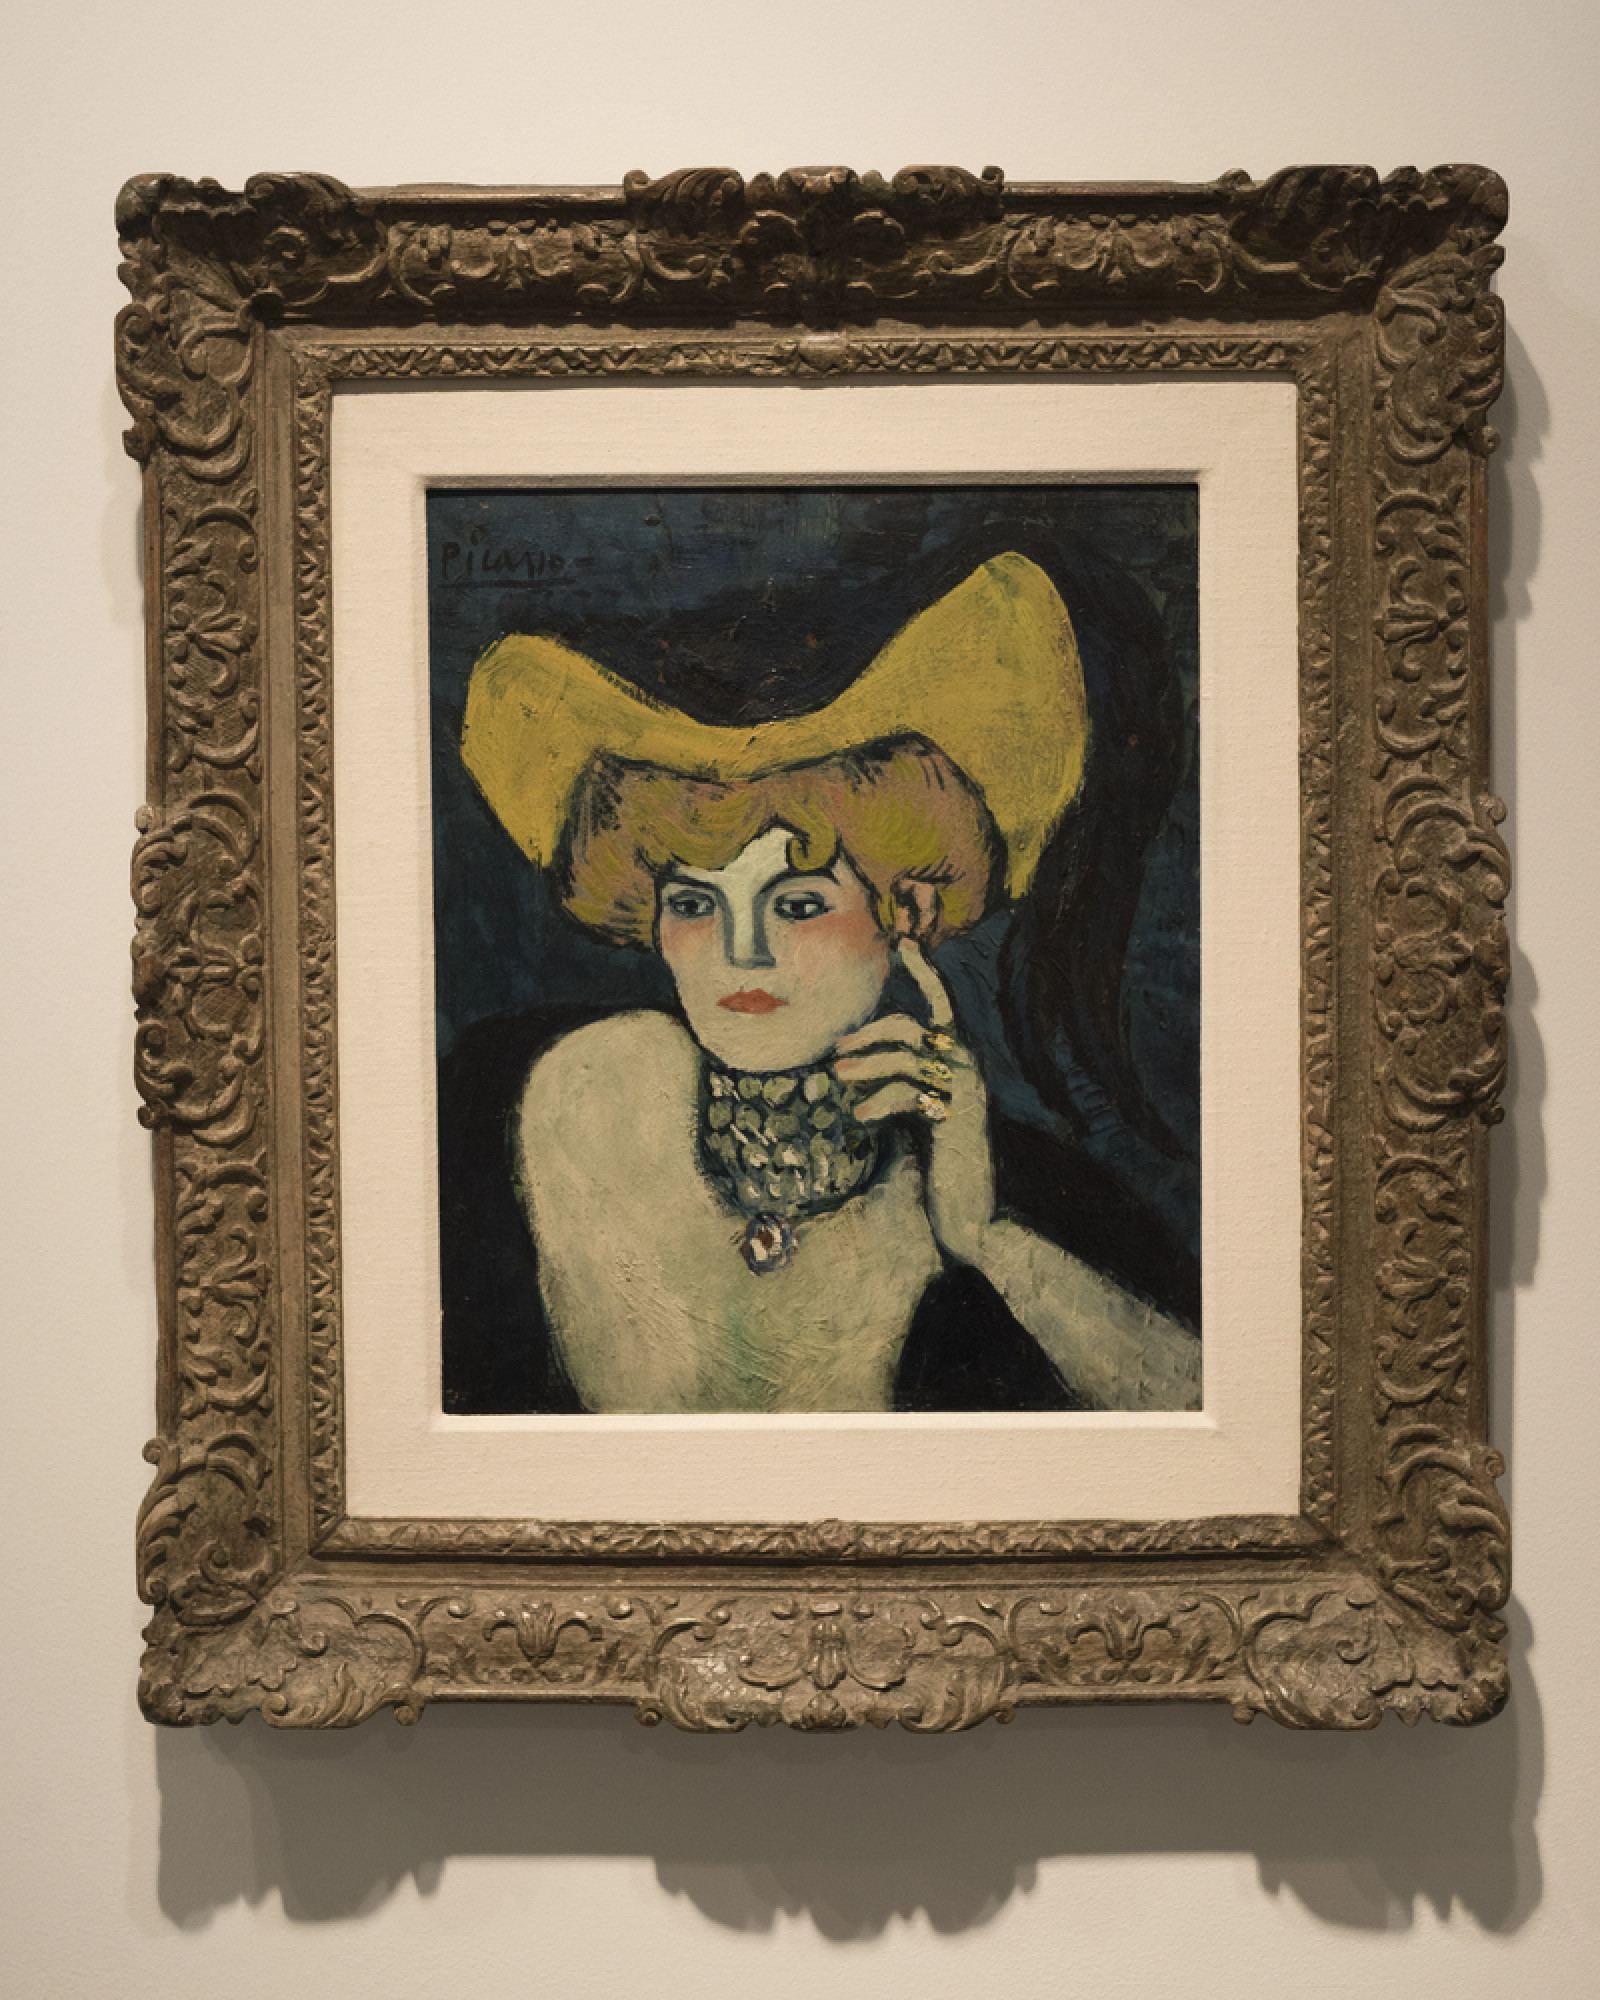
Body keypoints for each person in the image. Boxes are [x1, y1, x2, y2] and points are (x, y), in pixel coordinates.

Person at [444, 553, 1201, 1415]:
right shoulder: (519, 1092)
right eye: (694, 903)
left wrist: (985, 1238)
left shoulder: (999, 1179)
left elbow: (1212, 1419)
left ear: (906, 912)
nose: (742, 955)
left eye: (798, 904)